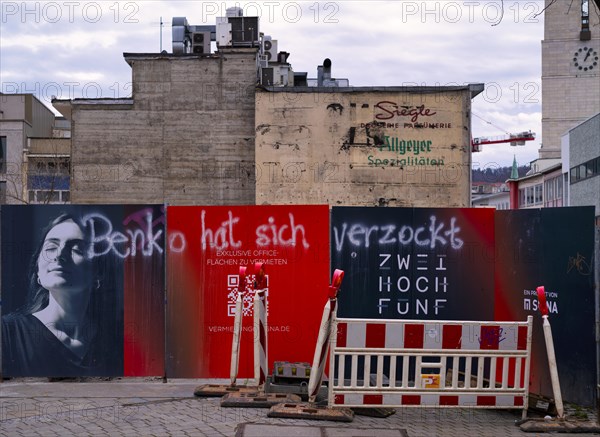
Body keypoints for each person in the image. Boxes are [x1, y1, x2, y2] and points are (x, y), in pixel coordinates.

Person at [2, 212, 122, 377]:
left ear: (98, 272)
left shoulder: (117, 342)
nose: (59, 255)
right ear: (37, 269)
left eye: (77, 249)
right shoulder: (7, 333)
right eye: (51, 248)